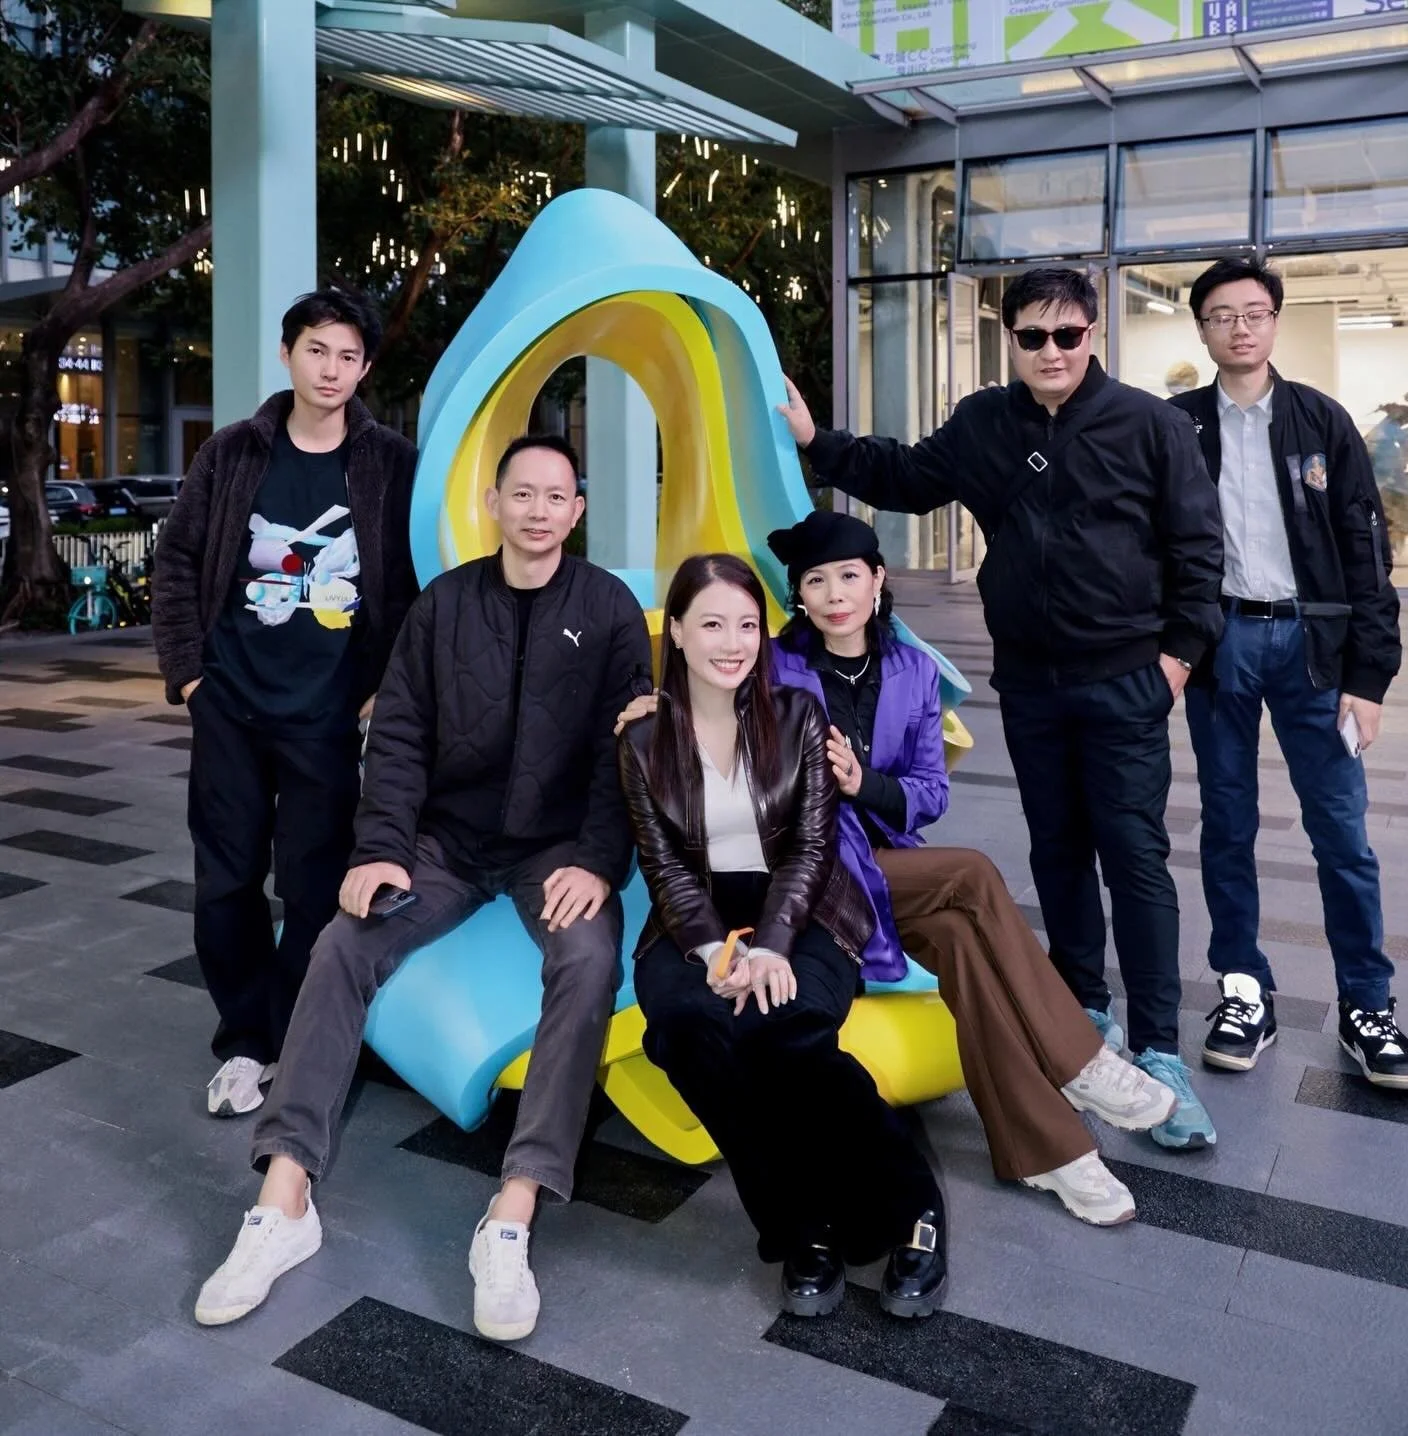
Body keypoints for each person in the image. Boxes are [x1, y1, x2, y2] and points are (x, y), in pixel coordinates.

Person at [193, 435, 653, 1340]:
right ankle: (285, 1199)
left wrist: (600, 860)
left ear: (576, 511)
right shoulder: (444, 605)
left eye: (555, 496)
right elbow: (398, 734)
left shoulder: (606, 609)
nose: (537, 510)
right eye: (522, 493)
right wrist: (380, 849)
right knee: (341, 943)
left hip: (555, 848)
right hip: (445, 843)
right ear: (494, 503)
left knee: (589, 960)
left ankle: (514, 1209)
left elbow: (625, 747)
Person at [778, 266, 1226, 1149]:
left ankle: (1160, 1049)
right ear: (1011, 340)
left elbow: (1200, 551)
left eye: (1067, 335)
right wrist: (814, 440)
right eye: (1032, 337)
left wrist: (1176, 662)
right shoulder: (985, 423)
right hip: (1031, 683)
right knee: (1056, 847)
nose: (1051, 352)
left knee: (1134, 854)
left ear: (1093, 334)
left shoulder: (1153, 426)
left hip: (1126, 679)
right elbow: (904, 475)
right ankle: (1082, 1011)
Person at [617, 553, 947, 1320]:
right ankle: (801, 1227)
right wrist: (716, 953)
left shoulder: (798, 714)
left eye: (747, 625)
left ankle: (912, 1202)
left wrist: (768, 945)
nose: (733, 643)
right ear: (676, 631)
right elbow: (664, 869)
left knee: (783, 1027)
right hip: (694, 918)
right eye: (712, 624)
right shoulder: (642, 741)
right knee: (684, 1028)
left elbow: (811, 848)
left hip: (806, 908)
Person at [152, 289, 419, 1120]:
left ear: (365, 368)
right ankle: (244, 1039)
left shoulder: (392, 464)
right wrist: (190, 677)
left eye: (348, 355)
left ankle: (296, 1036)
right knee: (225, 884)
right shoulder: (233, 453)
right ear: (287, 353)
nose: (331, 369)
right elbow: (177, 561)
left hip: (329, 718)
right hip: (230, 706)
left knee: (313, 889)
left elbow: (418, 581)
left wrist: (384, 688)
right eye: (316, 350)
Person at [1173, 258, 1408, 1088]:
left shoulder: (1321, 421)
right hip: (1222, 645)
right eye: (1221, 315)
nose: (1239, 328)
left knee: (1342, 833)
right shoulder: (1179, 426)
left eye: (1253, 313)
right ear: (1202, 329)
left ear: (1275, 321)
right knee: (1226, 824)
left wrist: (1370, 678)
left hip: (1315, 650)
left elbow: (1366, 550)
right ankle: (1244, 990)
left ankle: (1366, 1005)